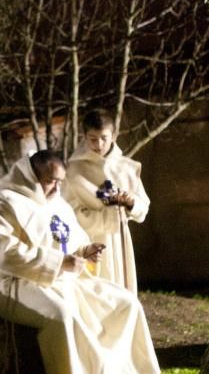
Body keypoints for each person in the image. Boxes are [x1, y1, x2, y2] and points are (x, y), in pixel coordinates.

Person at [0, 150, 159, 374]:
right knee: (61, 315)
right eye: (51, 180)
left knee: (125, 303)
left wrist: (86, 250)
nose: (58, 187)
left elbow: (74, 241)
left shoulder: (57, 203)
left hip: (64, 280)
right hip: (14, 285)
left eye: (61, 180)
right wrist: (60, 263)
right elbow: (5, 255)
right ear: (31, 175)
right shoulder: (4, 202)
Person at [63, 109, 151, 294]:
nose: (98, 144)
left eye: (104, 138)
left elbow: (143, 205)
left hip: (120, 239)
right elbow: (68, 212)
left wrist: (130, 203)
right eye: (92, 139)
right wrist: (106, 216)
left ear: (114, 135)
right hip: (90, 240)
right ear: (84, 136)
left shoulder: (126, 167)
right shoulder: (73, 170)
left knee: (122, 290)